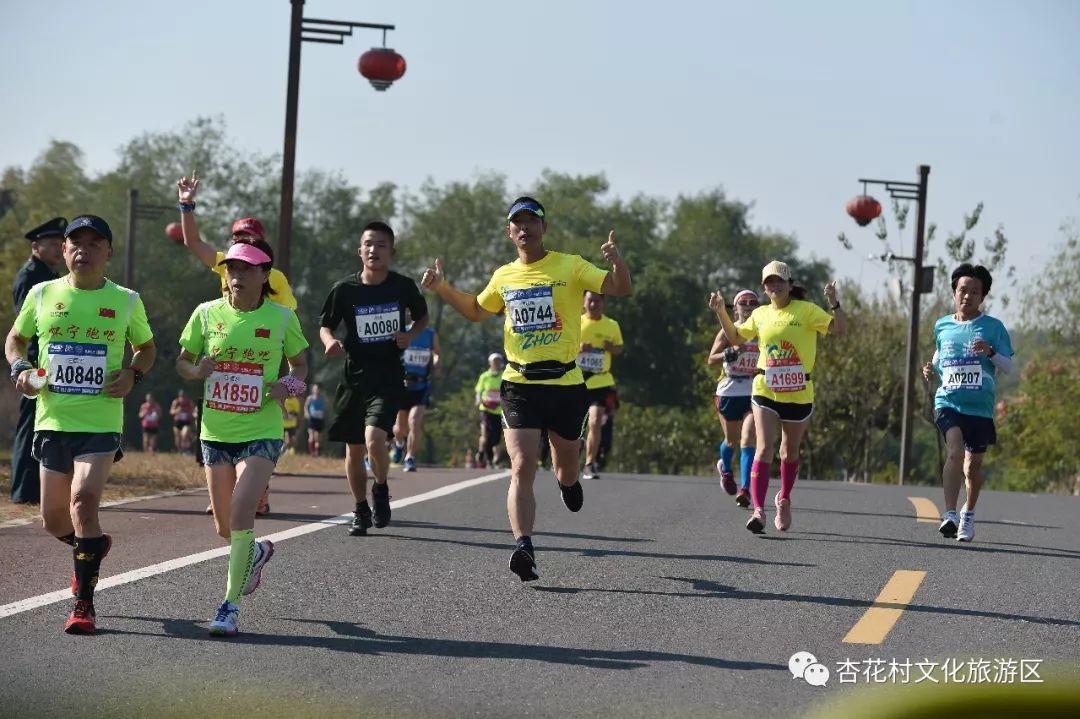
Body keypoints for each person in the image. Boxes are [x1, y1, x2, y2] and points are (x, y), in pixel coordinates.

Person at [421, 196, 632, 581]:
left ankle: (569, 483)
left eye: (531, 221)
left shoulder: (570, 265)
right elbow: (474, 310)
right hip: (519, 384)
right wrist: (442, 288)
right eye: (517, 223)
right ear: (509, 232)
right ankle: (524, 547)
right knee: (520, 466)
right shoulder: (504, 276)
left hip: (566, 384)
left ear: (543, 228)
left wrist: (616, 261)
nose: (524, 228)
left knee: (565, 466)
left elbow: (620, 288)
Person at [5, 214, 156, 634]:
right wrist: (21, 367)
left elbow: (146, 348)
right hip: (52, 418)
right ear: (65, 249)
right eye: (75, 243)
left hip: (100, 420)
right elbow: (15, 339)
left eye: (94, 243)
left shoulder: (126, 300)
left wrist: (132, 375)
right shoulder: (41, 293)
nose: (82, 250)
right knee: (54, 521)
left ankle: (83, 605)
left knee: (83, 501)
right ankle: (90, 547)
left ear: (108, 252)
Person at [176, 240, 308, 636]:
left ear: (265, 275)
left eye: (247, 269)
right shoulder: (205, 314)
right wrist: (195, 371)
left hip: (261, 429)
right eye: (231, 268)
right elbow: (181, 362)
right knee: (224, 528)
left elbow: (300, 365)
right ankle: (257, 552)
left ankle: (230, 606)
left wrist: (287, 386)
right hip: (216, 431)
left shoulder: (282, 318)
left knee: (241, 513)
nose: (237, 276)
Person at [710, 260, 842, 534]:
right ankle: (758, 510)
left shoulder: (805, 311)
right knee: (763, 447)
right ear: (765, 288)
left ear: (790, 285)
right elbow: (735, 338)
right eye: (769, 282)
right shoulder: (759, 315)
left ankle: (783, 498)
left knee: (788, 452)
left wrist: (834, 303)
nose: (775, 286)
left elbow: (838, 329)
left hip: (798, 391)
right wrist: (720, 310)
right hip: (765, 388)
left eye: (780, 281)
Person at [319, 221, 428, 536]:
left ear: (391, 252)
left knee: (374, 439)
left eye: (381, 245)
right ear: (359, 251)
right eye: (368, 244)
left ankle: (380, 487)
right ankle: (359, 508)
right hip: (354, 377)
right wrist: (330, 341)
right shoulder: (345, 289)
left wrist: (411, 334)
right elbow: (326, 324)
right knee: (353, 449)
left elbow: (422, 316)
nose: (373, 250)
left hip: (389, 376)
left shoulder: (403, 286)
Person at [922, 263, 1013, 543]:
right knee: (955, 451)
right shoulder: (942, 325)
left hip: (980, 408)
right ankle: (949, 513)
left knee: (972, 468)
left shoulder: (993, 327)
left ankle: (968, 513)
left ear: (982, 296)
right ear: (953, 292)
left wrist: (991, 351)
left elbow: (1008, 366)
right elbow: (940, 355)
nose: (967, 296)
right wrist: (930, 369)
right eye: (963, 290)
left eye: (975, 292)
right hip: (948, 401)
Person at [9, 217, 65, 504]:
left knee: (42, 426)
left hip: (51, 361)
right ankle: (24, 490)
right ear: (35, 246)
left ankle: (34, 489)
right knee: (30, 425)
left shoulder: (50, 273)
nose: (58, 249)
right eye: (52, 244)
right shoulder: (31, 276)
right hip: (35, 363)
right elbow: (26, 327)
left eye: (60, 244)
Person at [707, 289, 761, 506]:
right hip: (729, 389)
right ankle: (726, 470)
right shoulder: (728, 331)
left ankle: (746, 489)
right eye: (743, 302)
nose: (748, 305)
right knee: (731, 441)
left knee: (748, 437)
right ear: (735, 307)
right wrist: (728, 354)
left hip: (753, 390)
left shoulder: (763, 330)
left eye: (753, 302)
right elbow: (711, 359)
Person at [578, 291, 624, 480]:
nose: (593, 304)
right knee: (572, 425)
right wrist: (579, 348)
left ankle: (590, 463)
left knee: (595, 421)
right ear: (583, 302)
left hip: (600, 380)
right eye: (590, 300)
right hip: (577, 380)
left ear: (603, 303)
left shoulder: (611, 325)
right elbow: (561, 347)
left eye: (597, 301)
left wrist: (610, 347)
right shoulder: (575, 322)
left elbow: (619, 348)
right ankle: (568, 459)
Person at [392, 312, 441, 472]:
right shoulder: (402, 332)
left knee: (414, 422)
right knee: (400, 429)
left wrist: (436, 362)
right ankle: (399, 444)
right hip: (402, 384)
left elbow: (436, 352)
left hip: (421, 385)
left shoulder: (431, 334)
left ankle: (410, 457)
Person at [475, 352, 506, 468]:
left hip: (498, 410)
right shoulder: (484, 376)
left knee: (496, 436)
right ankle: (486, 456)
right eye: (494, 361)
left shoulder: (504, 376)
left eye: (498, 361)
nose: (496, 364)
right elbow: (479, 390)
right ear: (490, 363)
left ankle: (493, 458)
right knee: (486, 434)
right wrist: (478, 399)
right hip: (486, 409)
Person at [304, 383, 327, 456]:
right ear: (313, 390)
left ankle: (317, 452)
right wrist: (307, 413)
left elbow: (326, 407)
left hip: (319, 420)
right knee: (311, 436)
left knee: (318, 438)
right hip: (312, 419)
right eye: (315, 389)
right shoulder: (310, 398)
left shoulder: (323, 398)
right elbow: (305, 406)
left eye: (318, 389)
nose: (316, 390)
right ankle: (312, 452)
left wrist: (324, 414)